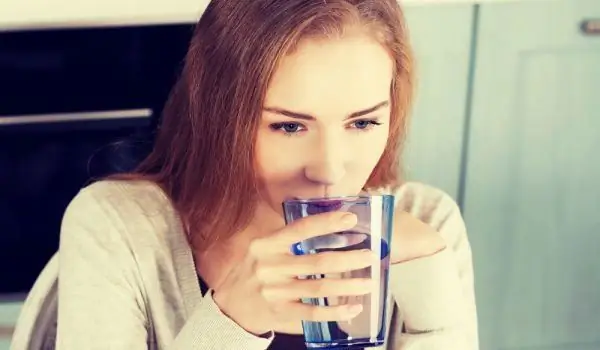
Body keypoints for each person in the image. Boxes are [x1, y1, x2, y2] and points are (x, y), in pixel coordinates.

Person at [55, 0, 478, 349]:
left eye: (362, 123)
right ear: (220, 116)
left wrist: (431, 305)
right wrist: (229, 321)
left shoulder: (427, 224)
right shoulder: (117, 228)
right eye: (289, 126)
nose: (329, 169)